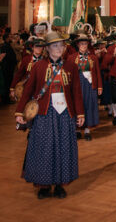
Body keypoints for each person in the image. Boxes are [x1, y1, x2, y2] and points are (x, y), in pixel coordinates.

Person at [15, 31, 84, 199]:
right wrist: (20, 111)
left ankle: (60, 184)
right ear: (47, 48)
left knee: (63, 149)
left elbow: (76, 91)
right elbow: (28, 90)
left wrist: (80, 113)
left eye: (61, 45)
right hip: (45, 114)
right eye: (54, 45)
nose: (58, 48)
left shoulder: (71, 67)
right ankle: (44, 185)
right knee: (44, 149)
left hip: (65, 114)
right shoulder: (39, 67)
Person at [68, 34, 102, 140]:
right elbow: (68, 73)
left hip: (89, 85)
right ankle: (77, 129)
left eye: (85, 44)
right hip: (77, 84)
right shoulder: (71, 58)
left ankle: (87, 130)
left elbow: (97, 72)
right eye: (81, 44)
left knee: (89, 105)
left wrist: (99, 87)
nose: (83, 45)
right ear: (78, 45)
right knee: (77, 105)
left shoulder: (93, 58)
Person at [101, 30, 116, 126]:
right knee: (115, 97)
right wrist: (113, 55)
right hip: (115, 75)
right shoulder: (111, 48)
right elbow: (105, 63)